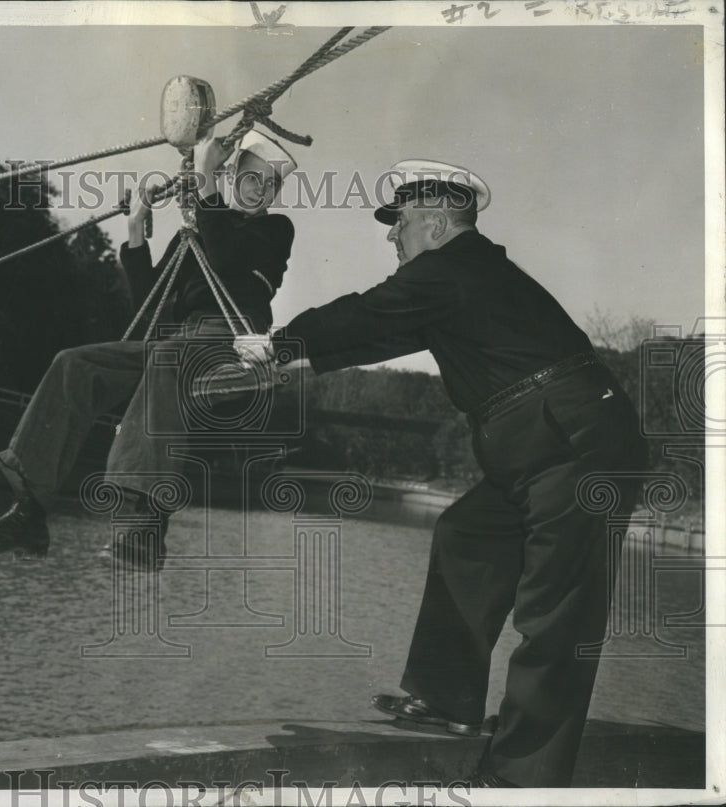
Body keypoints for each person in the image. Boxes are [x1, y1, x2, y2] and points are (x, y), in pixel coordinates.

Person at [247, 159, 648, 787]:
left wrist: (275, 344)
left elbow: (369, 311)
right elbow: (375, 337)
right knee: (467, 535)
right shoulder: (463, 280)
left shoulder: (452, 268)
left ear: (435, 223)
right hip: (544, 445)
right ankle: (448, 703)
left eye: (400, 223)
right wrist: (292, 359)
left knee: (557, 616)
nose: (392, 236)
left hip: (574, 447)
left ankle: (522, 782)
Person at [0, 129, 297, 570]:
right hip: (177, 342)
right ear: (233, 177)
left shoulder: (275, 230)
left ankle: (145, 527)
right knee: (74, 364)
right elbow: (149, 309)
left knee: (166, 359)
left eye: (270, 185)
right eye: (252, 179)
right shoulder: (199, 232)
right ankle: (28, 513)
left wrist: (204, 180)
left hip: (233, 343)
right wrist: (135, 228)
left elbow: (227, 264)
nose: (260, 191)